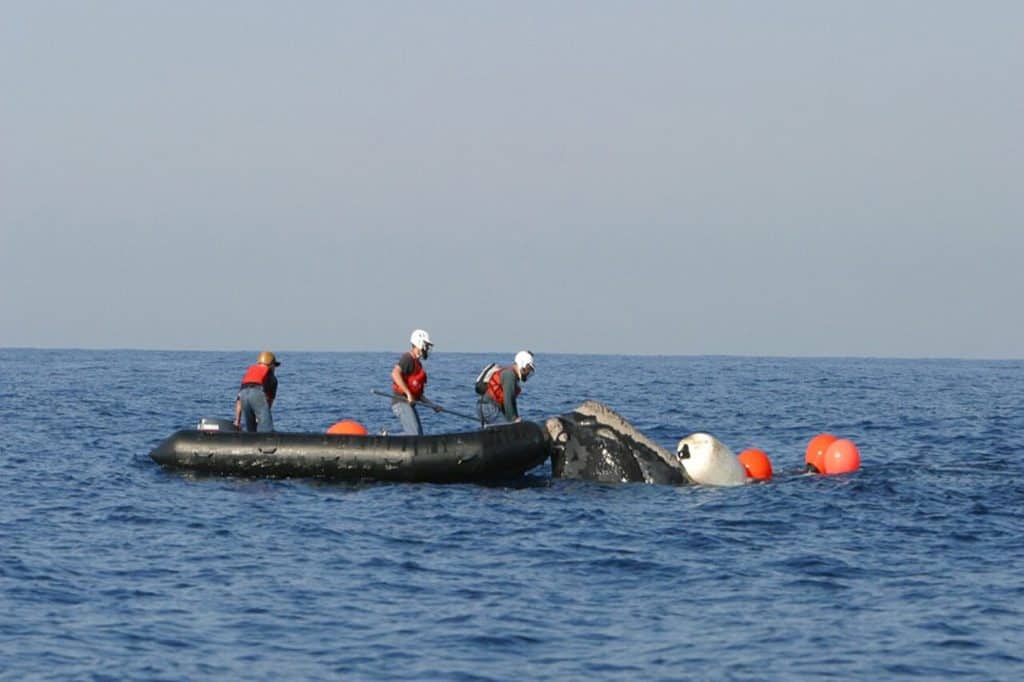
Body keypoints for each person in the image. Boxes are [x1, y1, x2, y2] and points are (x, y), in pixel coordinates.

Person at [389, 329, 434, 435]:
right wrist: (408, 394)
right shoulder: (407, 358)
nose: (427, 349)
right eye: (426, 345)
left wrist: (433, 405)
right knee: (414, 434)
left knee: (419, 434)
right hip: (401, 402)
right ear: (419, 343)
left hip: (408, 403)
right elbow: (395, 373)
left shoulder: (418, 365)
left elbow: (419, 395)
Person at [478, 350, 535, 425]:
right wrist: (513, 420)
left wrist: (516, 417)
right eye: (528, 368)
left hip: (491, 407)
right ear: (522, 364)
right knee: (506, 427)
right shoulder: (510, 375)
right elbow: (507, 401)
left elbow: (512, 402)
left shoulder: (513, 377)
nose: (528, 372)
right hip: (488, 407)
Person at [234, 351, 280, 432]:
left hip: (244, 396)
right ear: (271, 365)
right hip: (257, 393)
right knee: (266, 429)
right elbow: (269, 401)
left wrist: (237, 421)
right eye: (274, 366)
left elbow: (239, 400)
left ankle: (251, 441)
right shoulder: (271, 376)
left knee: (251, 430)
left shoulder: (249, 374)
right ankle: (267, 441)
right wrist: (261, 415)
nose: (274, 368)